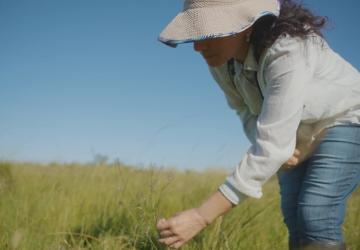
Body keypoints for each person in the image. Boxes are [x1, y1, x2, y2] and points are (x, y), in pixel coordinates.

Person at [155, 0, 360, 249]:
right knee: (294, 218)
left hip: (346, 118)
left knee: (315, 212)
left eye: (209, 33)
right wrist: (280, 148)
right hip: (293, 134)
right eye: (196, 35)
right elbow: (245, 110)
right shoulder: (222, 62)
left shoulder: (287, 49)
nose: (198, 47)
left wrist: (201, 216)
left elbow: (272, 148)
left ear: (245, 25)